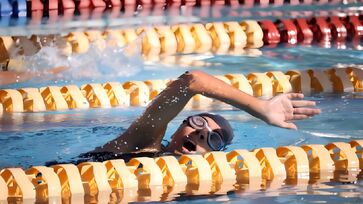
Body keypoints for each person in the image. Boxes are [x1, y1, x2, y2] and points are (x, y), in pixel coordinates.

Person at [87, 70, 320, 160]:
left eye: (214, 138)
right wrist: (259, 108)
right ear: (178, 127)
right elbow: (192, 81)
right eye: (197, 122)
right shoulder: (141, 145)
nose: (200, 133)